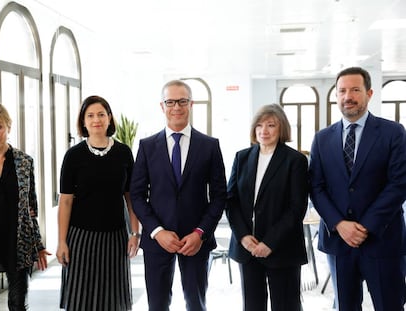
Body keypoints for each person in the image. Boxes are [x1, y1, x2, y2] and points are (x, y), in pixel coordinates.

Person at [309, 67, 406, 311]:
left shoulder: (393, 132)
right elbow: (316, 187)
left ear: (369, 93)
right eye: (341, 91)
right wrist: (340, 225)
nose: (347, 96)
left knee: (389, 305)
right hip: (339, 243)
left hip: (382, 239)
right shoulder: (322, 139)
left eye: (355, 90)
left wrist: (365, 226)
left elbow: (399, 184)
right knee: (345, 306)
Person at [130, 80, 227, 311]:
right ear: (162, 106)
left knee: (196, 303)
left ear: (191, 104)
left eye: (182, 101)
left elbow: (219, 196)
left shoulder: (209, 146)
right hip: (158, 240)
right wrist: (157, 231)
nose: (176, 107)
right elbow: (137, 195)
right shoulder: (147, 146)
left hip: (195, 241)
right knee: (158, 304)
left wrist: (200, 233)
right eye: (170, 101)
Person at [56, 95, 140, 311]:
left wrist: (134, 233)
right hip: (81, 238)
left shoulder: (123, 153)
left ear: (109, 118)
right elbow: (65, 202)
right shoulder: (73, 156)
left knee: (113, 300)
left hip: (115, 237)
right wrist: (62, 241)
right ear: (83, 121)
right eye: (90, 115)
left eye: (101, 114)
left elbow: (131, 198)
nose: (96, 120)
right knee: (80, 300)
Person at [226, 104, 308, 311]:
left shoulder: (295, 160)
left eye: (271, 125)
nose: (264, 131)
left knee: (286, 305)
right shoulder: (241, 157)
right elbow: (231, 200)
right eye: (259, 126)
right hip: (248, 248)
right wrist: (243, 236)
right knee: (252, 305)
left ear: (282, 129)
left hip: (282, 248)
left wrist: (270, 242)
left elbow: (296, 208)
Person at [0, 102, 50, 311]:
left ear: (8, 127)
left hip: (17, 242)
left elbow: (30, 209)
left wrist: (39, 245)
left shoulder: (24, 162)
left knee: (18, 304)